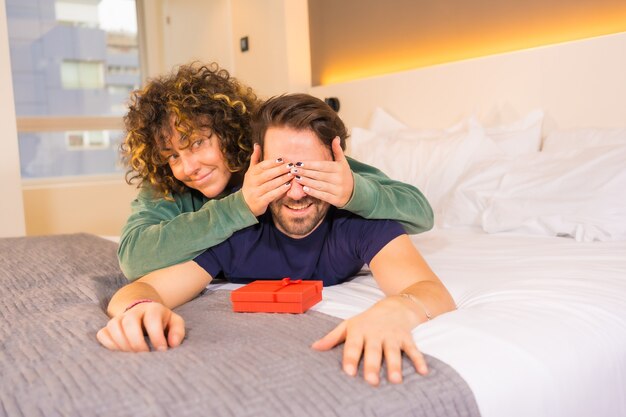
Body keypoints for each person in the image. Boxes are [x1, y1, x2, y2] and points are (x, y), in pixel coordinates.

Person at [98, 93, 456, 387]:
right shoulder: (235, 225)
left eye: (309, 171)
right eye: (282, 171)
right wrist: (139, 309)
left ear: (335, 164)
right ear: (256, 164)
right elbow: (140, 280)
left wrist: (394, 310)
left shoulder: (354, 211)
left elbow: (427, 278)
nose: (297, 190)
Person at [117, 62, 434, 281]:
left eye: (198, 143)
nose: (187, 167)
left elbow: (420, 213)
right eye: (172, 155)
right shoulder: (167, 183)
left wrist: (354, 191)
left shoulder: (279, 156)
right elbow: (134, 258)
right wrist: (239, 207)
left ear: (228, 131)